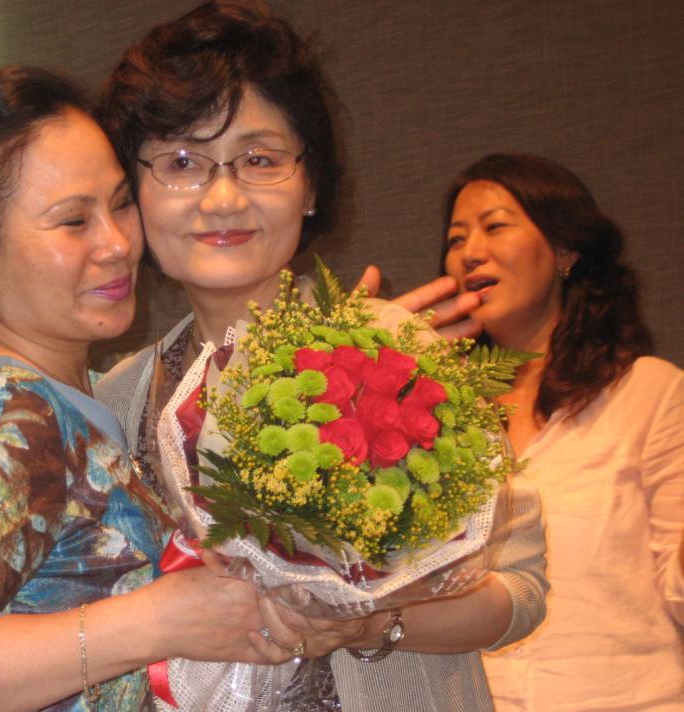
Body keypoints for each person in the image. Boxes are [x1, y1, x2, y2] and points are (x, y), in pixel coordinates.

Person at [95, 2, 548, 710]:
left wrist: (373, 623)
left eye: (260, 159)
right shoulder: (115, 401)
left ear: (309, 186)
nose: (223, 197)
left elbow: (519, 591)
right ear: (134, 196)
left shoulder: (391, 355)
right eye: (181, 162)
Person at [0, 65, 301, 712]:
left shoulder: (63, 394)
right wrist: (156, 621)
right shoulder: (3, 411)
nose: (117, 244)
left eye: (120, 204)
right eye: (72, 221)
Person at [442, 152, 684, 710]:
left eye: (494, 227)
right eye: (456, 239)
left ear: (565, 251)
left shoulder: (647, 394)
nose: (470, 251)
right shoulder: (439, 416)